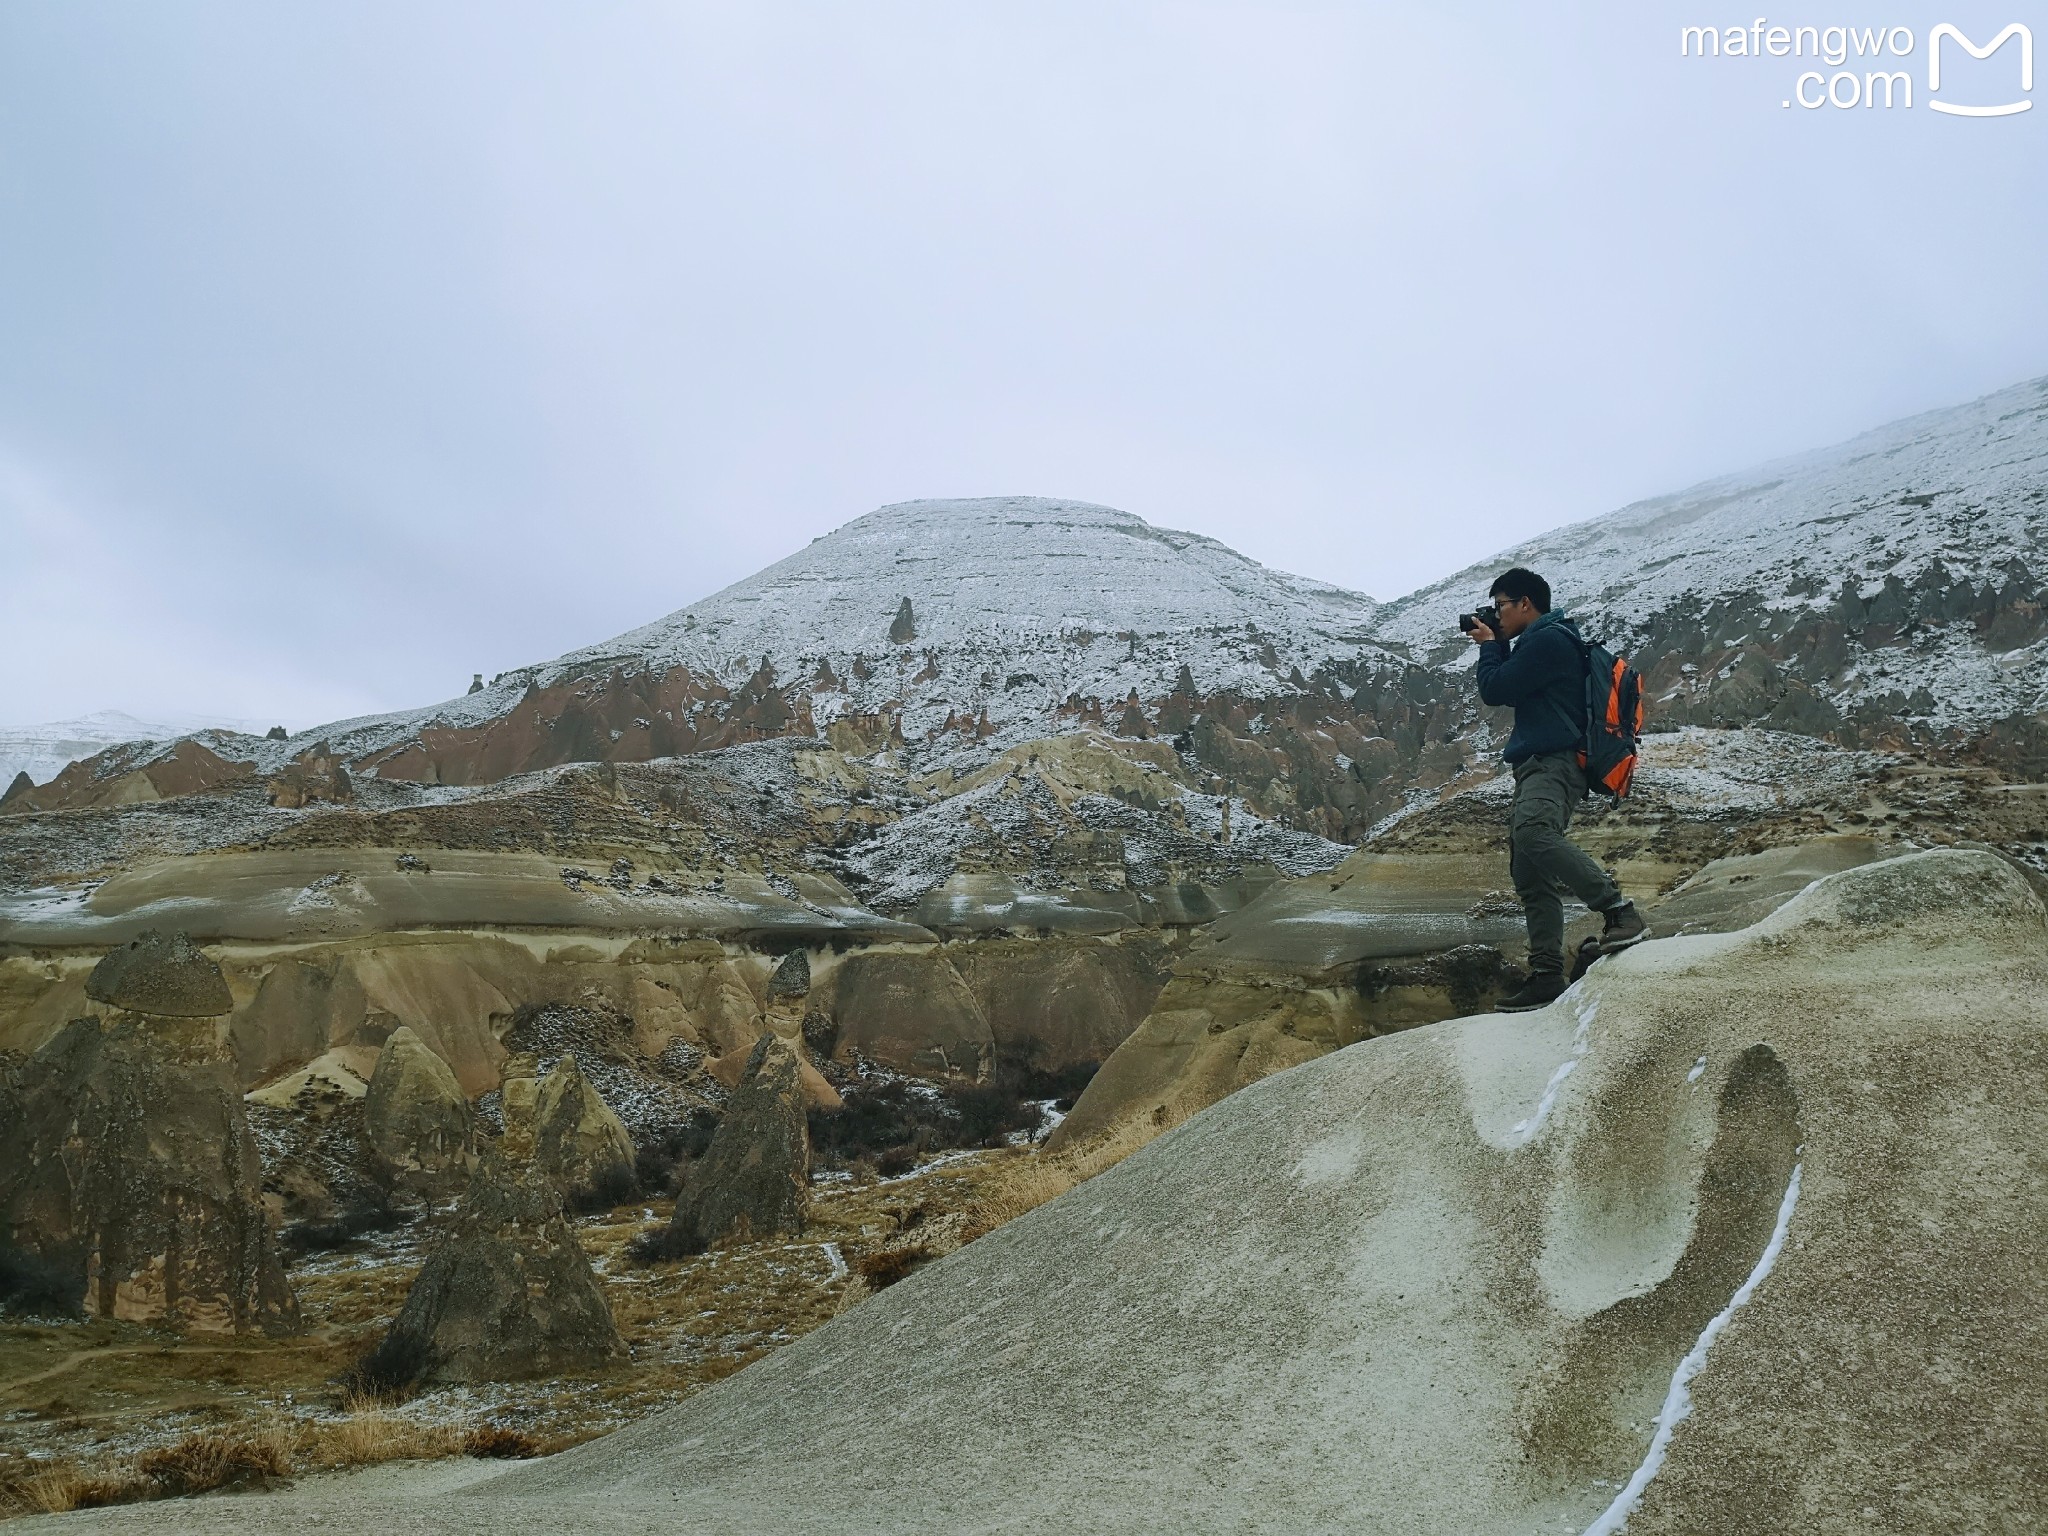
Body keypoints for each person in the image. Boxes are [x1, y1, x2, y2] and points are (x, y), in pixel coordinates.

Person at [1465, 567, 1647, 1011]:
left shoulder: (1549, 640)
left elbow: (1496, 688)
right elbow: (1515, 681)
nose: (1497, 614)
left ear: (1525, 603)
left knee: (1535, 835)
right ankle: (1546, 975)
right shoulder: (1541, 641)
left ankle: (1620, 912)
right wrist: (1500, 642)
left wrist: (1490, 646)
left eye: (1501, 606)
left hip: (1554, 763)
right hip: (1537, 766)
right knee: (1529, 875)